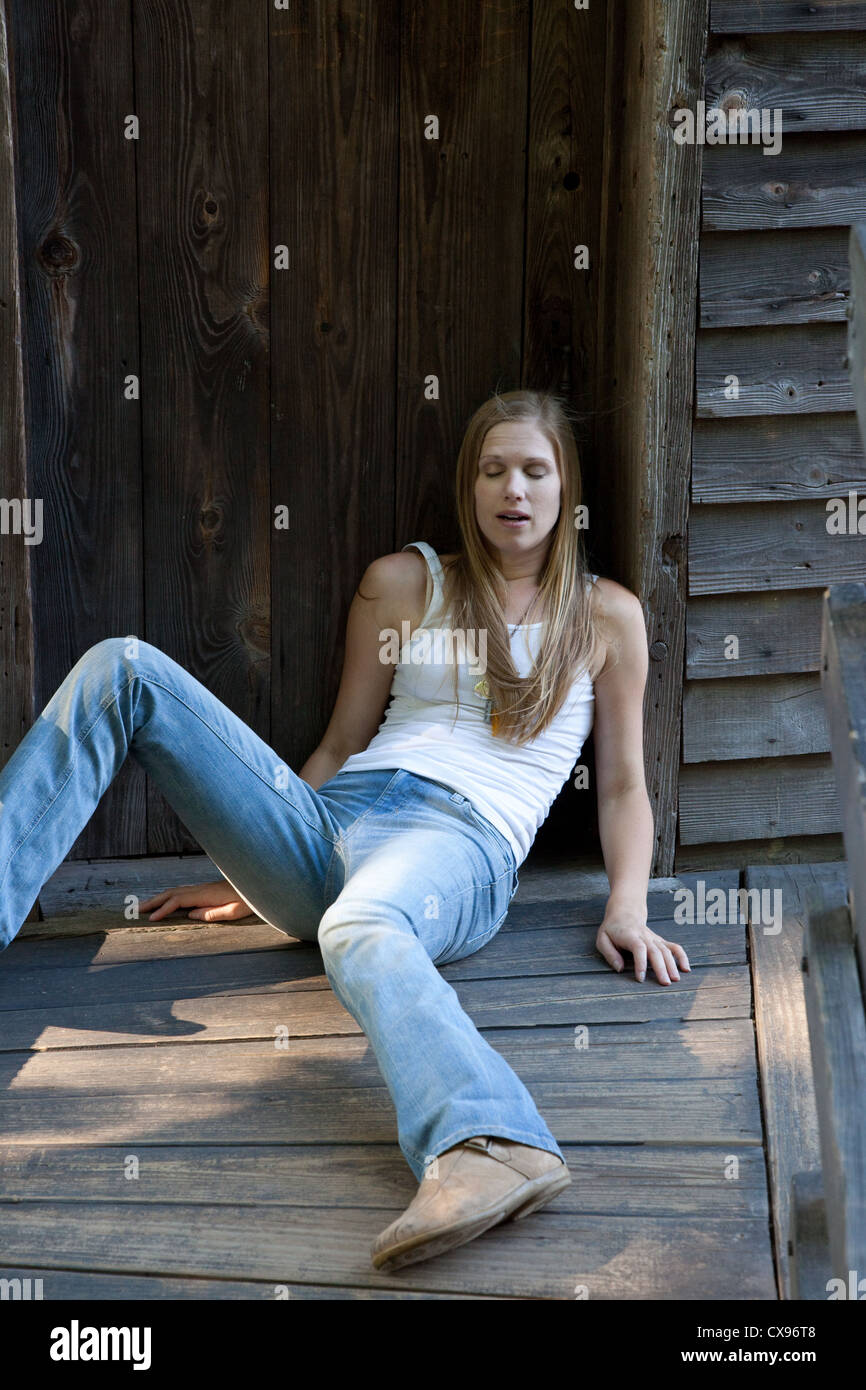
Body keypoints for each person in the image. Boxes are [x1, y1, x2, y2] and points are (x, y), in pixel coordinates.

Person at [0, 389, 689, 1274]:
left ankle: (493, 1143)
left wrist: (625, 906)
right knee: (122, 667)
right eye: (492, 470)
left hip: (457, 844)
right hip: (335, 821)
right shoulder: (405, 583)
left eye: (533, 470)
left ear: (566, 488)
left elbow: (625, 783)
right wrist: (251, 870)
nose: (511, 489)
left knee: (359, 924)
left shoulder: (605, 615)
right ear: (469, 484)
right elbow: (337, 744)